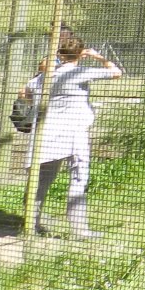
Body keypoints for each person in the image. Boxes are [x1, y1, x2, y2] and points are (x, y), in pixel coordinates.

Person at [21, 32, 122, 238]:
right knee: (78, 177)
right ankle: (79, 229)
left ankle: (31, 225)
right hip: (73, 133)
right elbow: (116, 72)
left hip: (44, 134)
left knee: (40, 180)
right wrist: (98, 57)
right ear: (81, 53)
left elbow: (24, 93)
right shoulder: (79, 72)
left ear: (60, 53)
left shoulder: (43, 77)